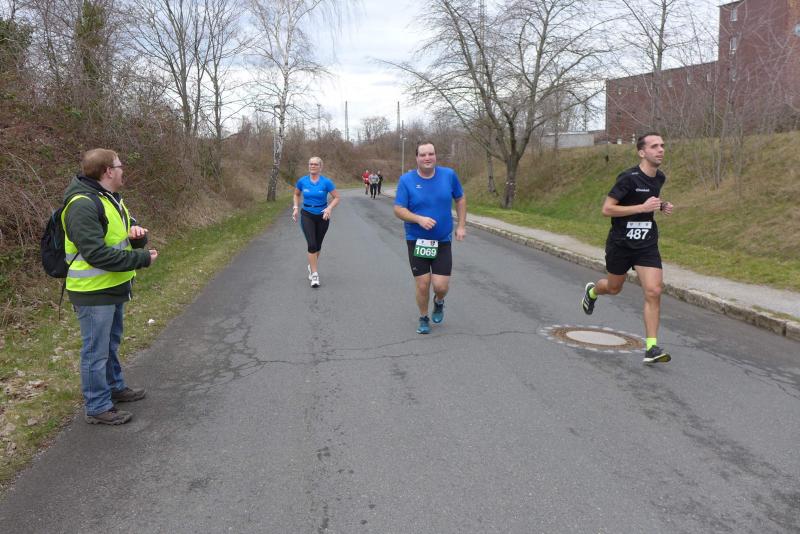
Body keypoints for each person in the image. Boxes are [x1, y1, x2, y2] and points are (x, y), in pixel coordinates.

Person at [62, 149, 158, 425]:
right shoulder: (82, 204)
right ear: (108, 171)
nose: (122, 169)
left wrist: (138, 237)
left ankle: (115, 388)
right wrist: (141, 259)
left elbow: (123, 236)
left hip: (113, 286)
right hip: (93, 292)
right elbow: (96, 254)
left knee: (110, 345)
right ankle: (97, 406)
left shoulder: (112, 199)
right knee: (95, 351)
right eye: (119, 165)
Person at [581, 132, 674, 364]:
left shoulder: (659, 178)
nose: (661, 150)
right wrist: (642, 207)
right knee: (613, 288)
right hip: (621, 243)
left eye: (662, 145)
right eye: (654, 146)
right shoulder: (628, 178)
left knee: (654, 291)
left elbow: (648, 203)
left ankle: (651, 348)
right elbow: (607, 209)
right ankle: (592, 292)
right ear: (642, 152)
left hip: (646, 243)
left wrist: (661, 205)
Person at [393, 141, 466, 334]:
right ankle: (424, 317)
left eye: (430, 154)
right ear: (417, 158)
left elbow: (460, 198)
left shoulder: (449, 175)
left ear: (435, 156)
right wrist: (419, 219)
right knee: (423, 283)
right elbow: (398, 209)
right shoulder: (406, 180)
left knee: (440, 286)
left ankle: (439, 301)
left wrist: (461, 225)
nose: (427, 158)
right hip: (417, 239)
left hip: (442, 239)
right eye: (423, 154)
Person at [292, 157, 340, 288]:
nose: (312, 166)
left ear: (320, 167)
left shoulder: (326, 182)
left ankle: (311, 265)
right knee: (312, 244)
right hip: (307, 214)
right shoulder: (302, 181)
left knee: (318, 245)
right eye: (311, 164)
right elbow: (296, 194)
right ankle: (314, 274)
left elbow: (337, 197)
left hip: (323, 216)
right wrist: (295, 207)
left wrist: (329, 208)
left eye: (315, 164)